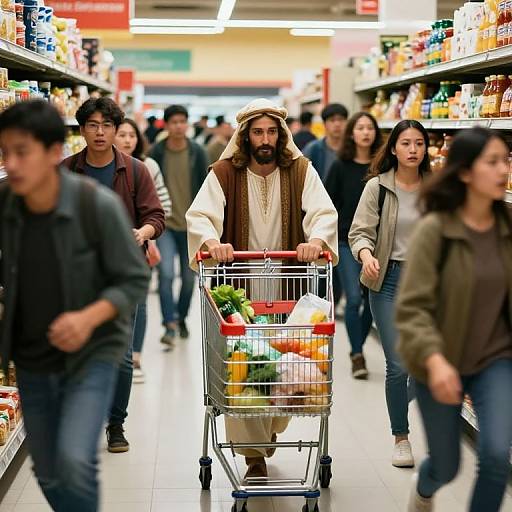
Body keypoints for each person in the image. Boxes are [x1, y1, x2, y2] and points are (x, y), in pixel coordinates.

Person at [0, 100, 150, 511]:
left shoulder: (94, 205)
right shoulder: (8, 204)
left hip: (92, 353)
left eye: (22, 152)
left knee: (73, 461)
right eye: (5, 152)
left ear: (53, 154)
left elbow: (134, 278)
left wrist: (88, 317)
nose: (11, 164)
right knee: (48, 469)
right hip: (32, 356)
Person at [186, 98, 338, 479]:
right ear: (245, 136)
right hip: (239, 292)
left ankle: (267, 430)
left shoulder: (301, 171)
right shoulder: (223, 173)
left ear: (282, 135)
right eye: (258, 132)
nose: (265, 139)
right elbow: (200, 215)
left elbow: (323, 212)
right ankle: (254, 455)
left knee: (284, 369)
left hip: (290, 287)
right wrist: (212, 242)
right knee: (245, 369)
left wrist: (317, 240)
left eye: (272, 131)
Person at [396, 128, 512, 512]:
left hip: (496, 360)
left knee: (496, 456)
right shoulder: (436, 231)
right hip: (440, 361)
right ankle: (425, 487)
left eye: (506, 160)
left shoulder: (507, 231)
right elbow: (412, 309)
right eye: (492, 162)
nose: (503, 170)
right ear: (464, 172)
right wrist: (435, 361)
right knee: (447, 466)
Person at [63, 97, 165, 454]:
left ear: (115, 128)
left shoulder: (135, 170)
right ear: (82, 130)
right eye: (93, 125)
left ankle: (116, 424)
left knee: (121, 355)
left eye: (107, 125)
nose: (101, 132)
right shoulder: (66, 171)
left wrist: (143, 233)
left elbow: (156, 217)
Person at [349, 120, 430, 469]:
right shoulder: (377, 188)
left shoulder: (437, 189)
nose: (413, 149)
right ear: (393, 148)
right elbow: (359, 232)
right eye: (406, 143)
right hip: (388, 280)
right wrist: (367, 256)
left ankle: (406, 399)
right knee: (398, 366)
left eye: (419, 143)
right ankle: (401, 437)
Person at [325, 112, 382, 380]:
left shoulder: (382, 167)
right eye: (360, 128)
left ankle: (356, 349)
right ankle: (357, 354)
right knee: (353, 297)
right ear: (352, 133)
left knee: (371, 301)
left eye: (370, 127)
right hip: (346, 241)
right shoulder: (340, 166)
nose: (365, 132)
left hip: (378, 243)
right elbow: (328, 203)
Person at [116, 118, 171, 383]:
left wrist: (146, 231)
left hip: (142, 245)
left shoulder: (147, 167)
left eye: (132, 135)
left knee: (138, 303)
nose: (127, 140)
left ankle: (134, 356)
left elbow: (163, 207)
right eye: (122, 134)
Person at [149, 105, 208, 345]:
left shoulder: (197, 152)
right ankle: (169, 324)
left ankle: (181, 317)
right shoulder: (157, 152)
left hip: (191, 226)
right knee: (165, 274)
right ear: (166, 125)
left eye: (182, 121)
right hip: (164, 225)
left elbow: (207, 188)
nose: (179, 126)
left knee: (188, 278)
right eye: (174, 121)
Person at [303, 103, 349, 183]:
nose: (337, 124)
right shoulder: (313, 149)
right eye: (332, 120)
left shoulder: (352, 148)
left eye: (341, 119)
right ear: (324, 124)